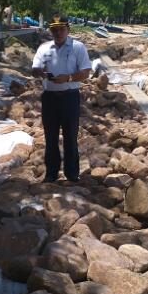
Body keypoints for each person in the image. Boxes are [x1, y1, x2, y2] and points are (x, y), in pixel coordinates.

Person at [31, 16, 91, 182]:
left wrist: (69, 78)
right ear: (50, 30)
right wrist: (40, 72)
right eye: (54, 29)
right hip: (49, 98)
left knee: (70, 136)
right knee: (50, 137)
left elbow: (86, 72)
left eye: (61, 29)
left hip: (70, 98)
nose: (57, 32)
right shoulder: (44, 48)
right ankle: (51, 174)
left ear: (68, 29)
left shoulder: (77, 47)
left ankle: (72, 174)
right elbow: (34, 68)